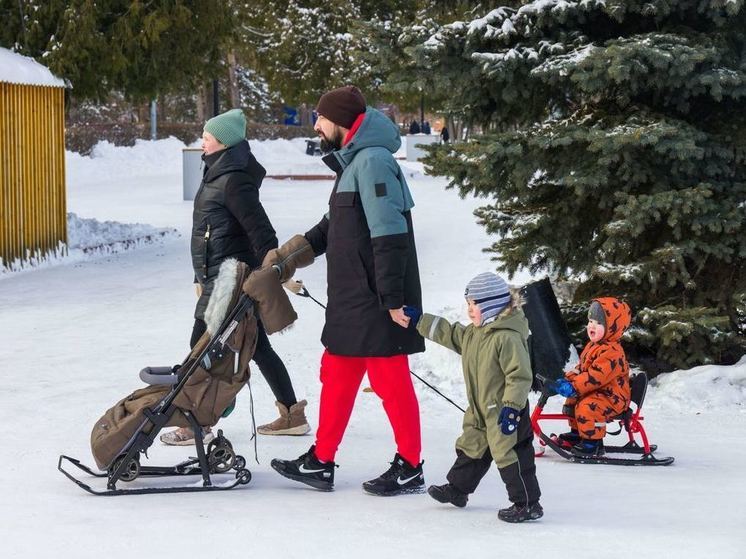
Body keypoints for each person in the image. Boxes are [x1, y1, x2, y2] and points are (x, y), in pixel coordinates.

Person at [268, 85, 426, 495]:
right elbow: (330, 227)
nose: (316, 126)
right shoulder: (355, 162)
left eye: (320, 118)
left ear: (339, 121)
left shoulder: (372, 162)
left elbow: (389, 234)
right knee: (337, 375)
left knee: (391, 380)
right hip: (352, 297)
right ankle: (321, 460)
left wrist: (393, 300)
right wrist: (288, 257)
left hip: (375, 297)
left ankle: (410, 465)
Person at [160, 108, 310, 446]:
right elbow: (211, 232)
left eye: (208, 138)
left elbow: (262, 234)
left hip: (231, 281)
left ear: (224, 143)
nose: (202, 143)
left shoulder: (233, 180)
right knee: (256, 348)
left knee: (201, 349)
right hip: (216, 279)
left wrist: (276, 273)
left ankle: (197, 422)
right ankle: (291, 413)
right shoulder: (218, 173)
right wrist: (200, 275)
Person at [404, 272, 543, 523]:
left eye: (474, 304)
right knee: (472, 445)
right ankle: (458, 490)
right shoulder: (476, 333)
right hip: (481, 408)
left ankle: (528, 504)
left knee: (511, 454)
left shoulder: (507, 337)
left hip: (506, 411)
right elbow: (450, 333)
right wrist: (419, 320)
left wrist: (511, 408)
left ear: (490, 305)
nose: (469, 310)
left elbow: (520, 376)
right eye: (468, 304)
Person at [548, 297, 632, 456]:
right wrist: (568, 379)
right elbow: (582, 369)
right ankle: (577, 433)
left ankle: (592, 443)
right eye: (591, 320)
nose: (592, 326)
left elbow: (596, 376)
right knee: (573, 399)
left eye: (599, 323)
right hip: (600, 391)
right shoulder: (594, 346)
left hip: (613, 396)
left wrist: (575, 387)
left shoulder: (612, 352)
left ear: (613, 327)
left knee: (588, 406)